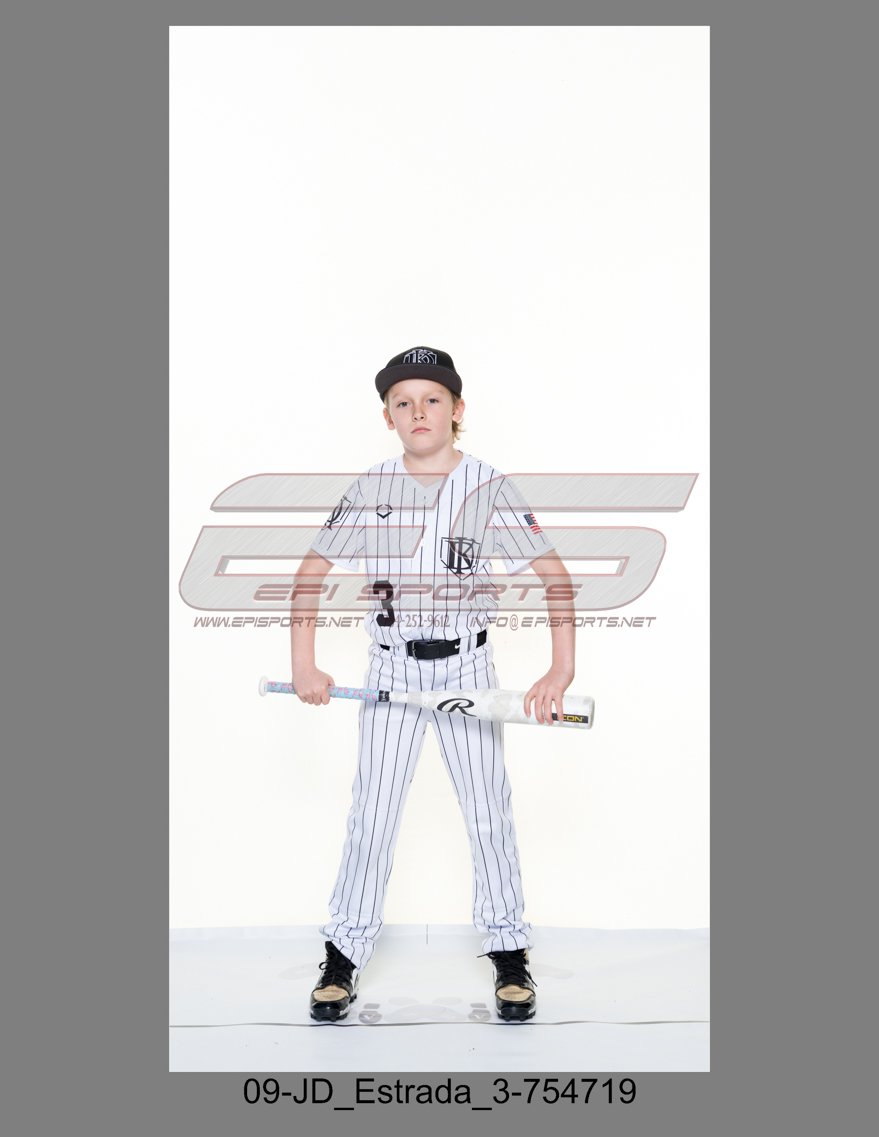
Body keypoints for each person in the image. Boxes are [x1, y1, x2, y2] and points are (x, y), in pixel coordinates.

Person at [290, 346, 575, 1023]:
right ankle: (343, 952)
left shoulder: (488, 486)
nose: (418, 411)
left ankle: (508, 950)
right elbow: (309, 574)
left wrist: (560, 669)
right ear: (387, 416)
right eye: (403, 402)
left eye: (432, 399)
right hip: (391, 669)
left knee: (487, 812)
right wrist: (305, 663)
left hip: (467, 668)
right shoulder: (370, 488)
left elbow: (554, 577)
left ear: (457, 409)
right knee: (373, 815)